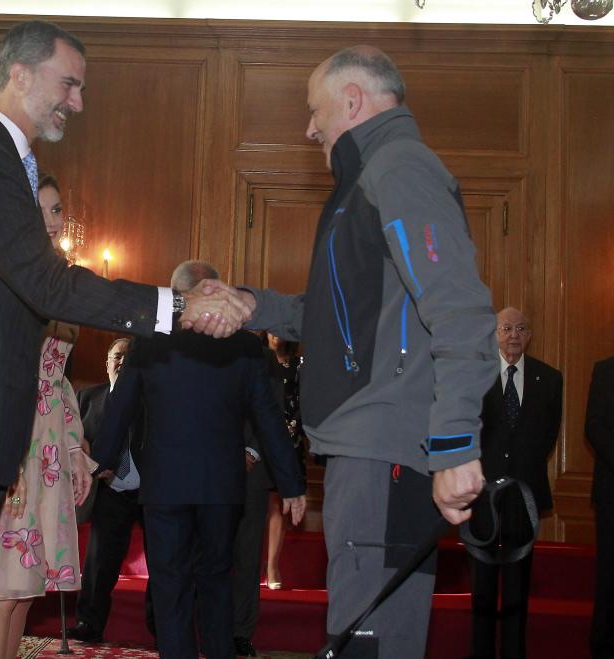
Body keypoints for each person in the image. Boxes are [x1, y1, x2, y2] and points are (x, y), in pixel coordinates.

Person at [0, 20, 251, 659]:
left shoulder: (8, 163)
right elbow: (50, 286)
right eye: (68, 83)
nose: (77, 101)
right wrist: (177, 305)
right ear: (21, 74)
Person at [200, 46, 498, 657]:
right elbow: (338, 313)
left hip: (386, 449)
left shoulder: (399, 168)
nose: (309, 127)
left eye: (315, 111)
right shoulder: (367, 179)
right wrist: (253, 305)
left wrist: (455, 444)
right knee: (357, 638)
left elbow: (462, 311)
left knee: (372, 644)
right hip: (363, 451)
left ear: (354, 100)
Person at [93, 260, 306, 659]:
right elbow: (267, 417)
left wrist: (100, 460)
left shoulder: (151, 338)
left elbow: (121, 403)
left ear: (179, 295)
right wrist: (292, 483)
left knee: (170, 585)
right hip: (222, 485)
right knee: (216, 582)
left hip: (165, 485)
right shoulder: (246, 344)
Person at [0, 174, 95, 659]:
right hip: (15, 442)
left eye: (57, 209)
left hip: (47, 446)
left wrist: (74, 450)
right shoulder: (5, 278)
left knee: (27, 591)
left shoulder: (60, 281)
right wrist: (7, 458)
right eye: (43, 210)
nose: (54, 220)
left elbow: (58, 381)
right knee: (1, 591)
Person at [469, 306, 563, 659]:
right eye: (506, 328)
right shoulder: (475, 376)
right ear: (494, 333)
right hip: (482, 496)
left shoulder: (549, 378)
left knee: (517, 588)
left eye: (521, 328)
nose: (514, 335)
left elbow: (547, 436)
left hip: (524, 499)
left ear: (530, 334)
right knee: (481, 587)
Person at [69, 337, 151, 643]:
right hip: (110, 491)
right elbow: (73, 443)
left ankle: (162, 627)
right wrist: (91, 460)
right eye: (116, 357)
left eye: (128, 358)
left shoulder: (154, 400)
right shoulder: (86, 398)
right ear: (107, 363)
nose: (121, 363)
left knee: (163, 561)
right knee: (99, 561)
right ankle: (89, 623)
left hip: (151, 492)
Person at [232, 346, 288, 658]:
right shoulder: (201, 344)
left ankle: (240, 632)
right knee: (209, 555)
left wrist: (250, 450)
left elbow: (271, 407)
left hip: (250, 469)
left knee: (246, 555)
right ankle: (208, 626)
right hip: (207, 467)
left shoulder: (261, 356)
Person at [264, 331, 304, 590]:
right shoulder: (256, 361)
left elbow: (306, 403)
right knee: (255, 504)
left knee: (278, 505)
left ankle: (272, 566)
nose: (275, 333)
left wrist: (291, 430)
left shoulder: (300, 364)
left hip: (290, 443)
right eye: (270, 327)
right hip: (257, 440)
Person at [585, 357, 614, 659]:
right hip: (611, 492)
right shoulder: (605, 369)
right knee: (609, 573)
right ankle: (604, 644)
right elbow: (593, 425)